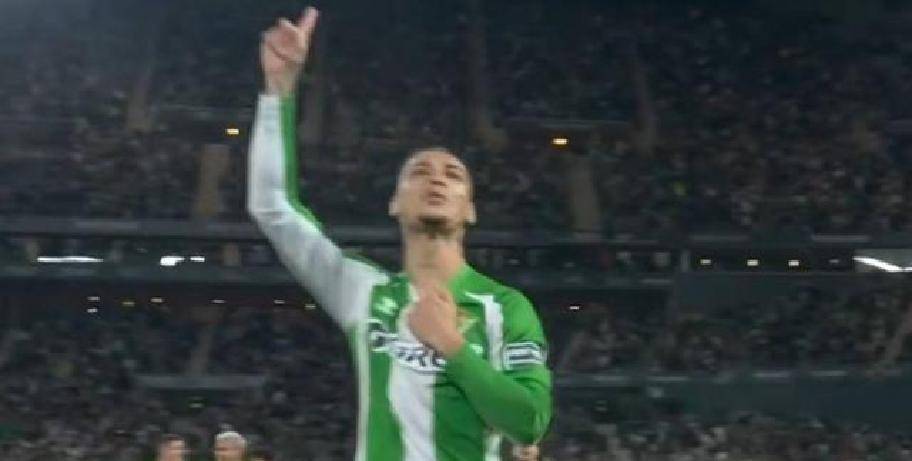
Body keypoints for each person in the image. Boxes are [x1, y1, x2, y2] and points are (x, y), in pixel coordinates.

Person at [248, 6, 552, 461]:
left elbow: (529, 422)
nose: (436, 179)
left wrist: (450, 344)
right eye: (419, 172)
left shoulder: (504, 307)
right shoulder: (363, 291)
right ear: (394, 203)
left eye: (453, 174)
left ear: (470, 210)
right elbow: (272, 207)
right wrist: (278, 91)